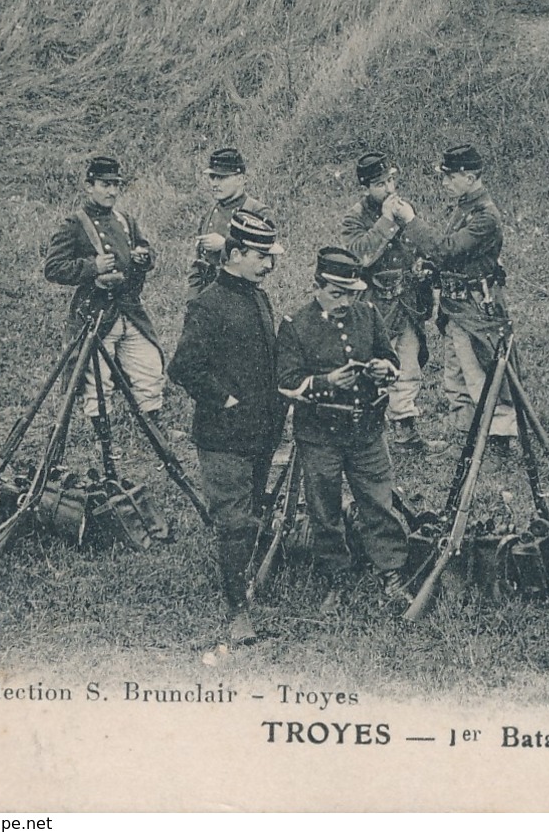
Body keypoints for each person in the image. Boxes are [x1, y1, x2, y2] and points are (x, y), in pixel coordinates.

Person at [168, 211, 285, 646]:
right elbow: (183, 367)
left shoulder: (258, 297)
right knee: (235, 522)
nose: (268, 264)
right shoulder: (207, 305)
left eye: (270, 256)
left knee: (251, 513)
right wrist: (226, 399)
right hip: (224, 436)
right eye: (261, 256)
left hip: (260, 433)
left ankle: (244, 586)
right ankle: (238, 613)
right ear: (235, 255)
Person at [275, 247, 412, 611]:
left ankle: (391, 571)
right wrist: (326, 382)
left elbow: (390, 356)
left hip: (366, 429)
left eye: (351, 293)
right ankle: (336, 575)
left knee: (379, 501)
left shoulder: (367, 315)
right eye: (337, 293)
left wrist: (386, 369)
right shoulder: (295, 325)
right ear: (316, 286)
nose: (346, 302)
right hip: (320, 435)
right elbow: (286, 382)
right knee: (325, 508)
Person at [397, 144, 517, 449]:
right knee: (457, 377)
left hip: (476, 308)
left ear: (470, 176)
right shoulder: (465, 207)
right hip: (456, 307)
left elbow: (447, 249)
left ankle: (497, 442)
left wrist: (411, 222)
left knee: (481, 372)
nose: (445, 183)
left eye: (450, 177)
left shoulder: (485, 216)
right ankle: (468, 437)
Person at [43, 155, 164, 425]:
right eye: (104, 184)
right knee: (98, 382)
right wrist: (92, 267)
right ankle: (103, 440)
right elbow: (53, 268)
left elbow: (146, 250)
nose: (112, 191)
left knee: (150, 369)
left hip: (130, 310)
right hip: (96, 312)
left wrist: (144, 257)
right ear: (89, 186)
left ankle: (153, 431)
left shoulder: (125, 220)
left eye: (116, 185)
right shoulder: (75, 224)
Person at [341, 153, 436, 451]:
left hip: (406, 302)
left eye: (391, 180)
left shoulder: (405, 209)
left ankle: (406, 431)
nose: (390, 188)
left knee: (408, 366)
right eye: (381, 184)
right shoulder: (354, 217)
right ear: (365, 187)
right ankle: (363, 431)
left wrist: (421, 266)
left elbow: (418, 246)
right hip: (373, 304)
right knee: (372, 366)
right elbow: (359, 256)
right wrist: (385, 220)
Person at [187, 147, 275, 299]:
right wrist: (193, 299)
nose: (214, 183)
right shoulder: (209, 214)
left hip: (242, 296)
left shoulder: (257, 212)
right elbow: (198, 263)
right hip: (207, 297)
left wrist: (225, 245)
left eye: (221, 178)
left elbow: (268, 261)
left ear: (240, 179)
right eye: (212, 177)